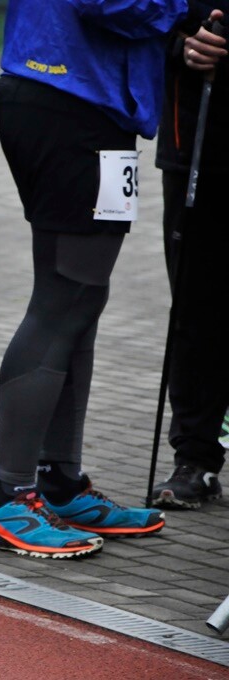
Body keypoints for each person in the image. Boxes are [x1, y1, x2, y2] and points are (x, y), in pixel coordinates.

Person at [0, 0, 218, 559]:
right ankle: (8, 498)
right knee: (64, 301)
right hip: (71, 100)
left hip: (82, 102)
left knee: (80, 302)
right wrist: (187, 7)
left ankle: (58, 481)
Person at [151, 8, 229, 509]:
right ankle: (195, 457)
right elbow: (142, 22)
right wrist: (182, 47)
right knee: (195, 312)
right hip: (197, 146)